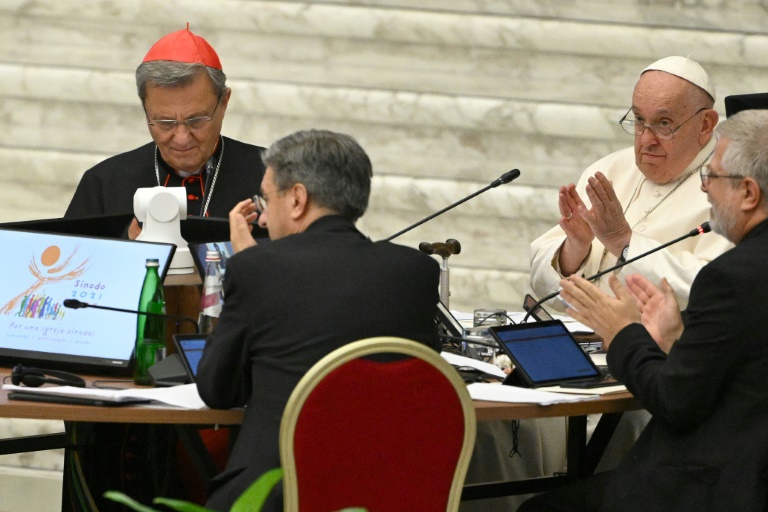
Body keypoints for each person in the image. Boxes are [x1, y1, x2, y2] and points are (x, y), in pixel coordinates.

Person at [519, 109, 768, 512]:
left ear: (750, 194)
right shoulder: (610, 170)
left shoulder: (731, 277)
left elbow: (675, 402)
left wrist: (623, 334)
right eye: (638, 119)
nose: (705, 190)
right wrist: (674, 340)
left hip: (716, 484)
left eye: (714, 178)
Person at [195, 129, 441, 511]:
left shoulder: (257, 269)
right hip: (391, 494)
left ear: (297, 198)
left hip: (275, 494)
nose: (262, 214)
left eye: (266, 197)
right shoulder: (416, 272)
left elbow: (217, 389)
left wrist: (247, 266)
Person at [530, 56, 732, 311]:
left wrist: (624, 242)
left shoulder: (733, 190)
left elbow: (716, 291)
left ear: (705, 125)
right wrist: (574, 250)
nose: (646, 139)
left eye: (664, 123)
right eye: (639, 119)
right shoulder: (608, 170)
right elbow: (540, 280)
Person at [64, 25, 265, 238]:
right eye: (165, 122)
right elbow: (73, 264)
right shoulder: (103, 183)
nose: (181, 138)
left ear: (224, 103)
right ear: (146, 111)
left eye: (196, 120)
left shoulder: (272, 177)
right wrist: (127, 246)